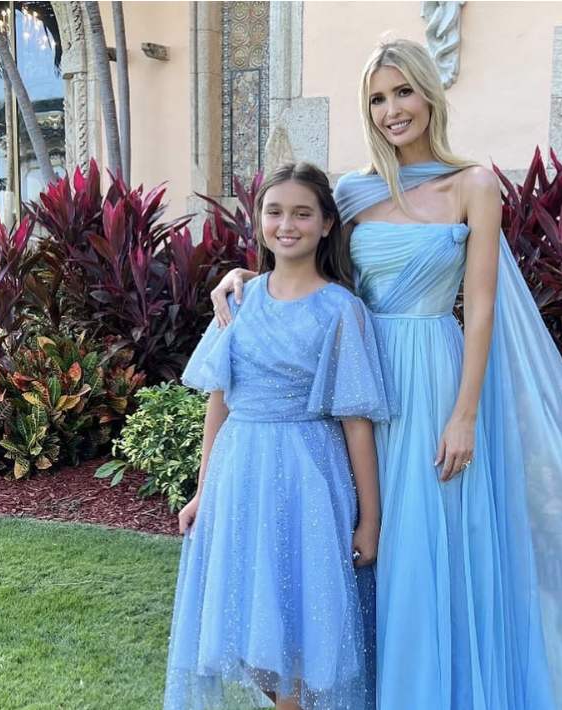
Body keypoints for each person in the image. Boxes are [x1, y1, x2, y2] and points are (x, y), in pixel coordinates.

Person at [210, 39, 562, 710]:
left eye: (403, 91)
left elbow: (480, 307)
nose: (392, 109)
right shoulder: (354, 191)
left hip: (431, 378)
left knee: (422, 547)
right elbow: (313, 270)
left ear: (429, 94)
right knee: (359, 537)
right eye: (377, 98)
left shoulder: (474, 185)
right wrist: (245, 275)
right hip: (356, 381)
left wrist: (463, 413)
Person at [164, 162, 396, 710]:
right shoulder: (237, 301)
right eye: (274, 212)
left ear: (326, 224)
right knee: (247, 624)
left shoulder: (342, 310)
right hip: (239, 473)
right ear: (258, 220)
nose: (286, 225)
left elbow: (357, 423)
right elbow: (219, 402)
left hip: (306, 474)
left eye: (302, 213)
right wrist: (202, 490)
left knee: (301, 623)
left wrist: (370, 519)